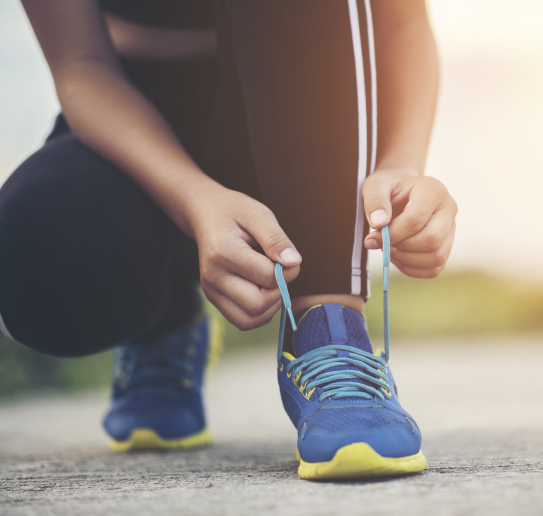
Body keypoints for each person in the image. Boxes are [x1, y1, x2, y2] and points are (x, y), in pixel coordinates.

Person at [3, 0, 456, 479]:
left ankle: (331, 332)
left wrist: (401, 167)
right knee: (26, 262)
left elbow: (402, 22)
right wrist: (196, 200)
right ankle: (166, 319)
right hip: (136, 113)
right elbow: (81, 65)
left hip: (304, 107)